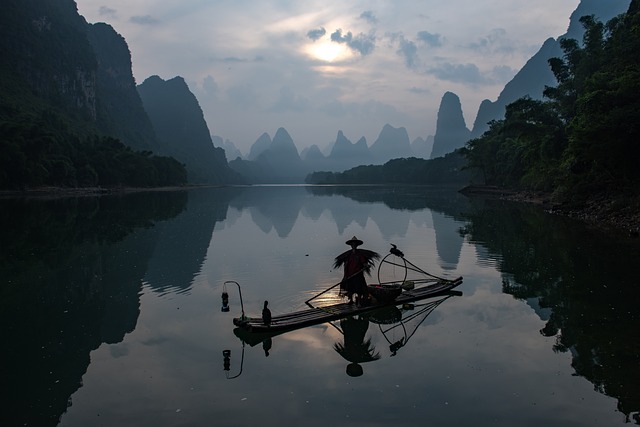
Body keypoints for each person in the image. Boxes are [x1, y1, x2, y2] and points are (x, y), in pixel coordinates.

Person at [333, 236, 380, 305]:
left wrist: (366, 266)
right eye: (352, 244)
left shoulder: (360, 254)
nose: (353, 245)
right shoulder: (348, 254)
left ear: (357, 245)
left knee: (359, 288)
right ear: (351, 245)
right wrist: (346, 274)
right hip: (349, 274)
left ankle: (359, 302)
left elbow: (364, 263)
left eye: (354, 244)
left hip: (357, 274)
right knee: (348, 287)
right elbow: (346, 264)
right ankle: (351, 300)